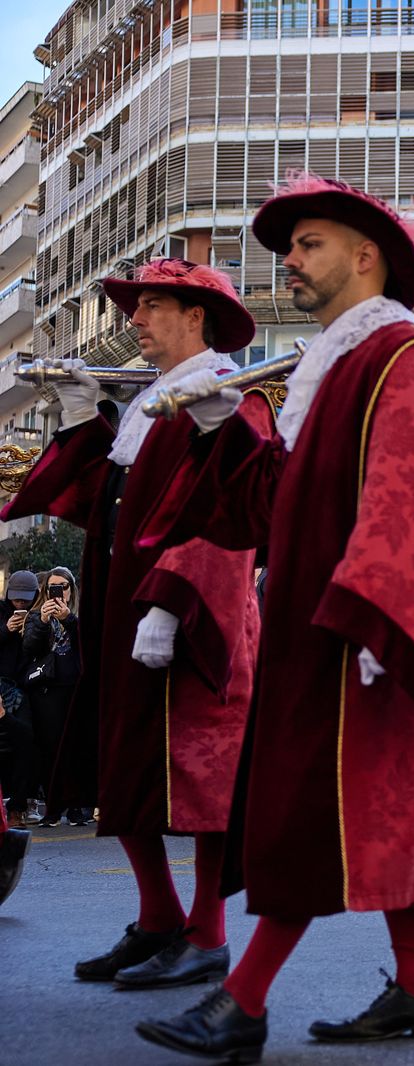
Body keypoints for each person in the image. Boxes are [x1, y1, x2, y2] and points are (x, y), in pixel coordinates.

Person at [134, 173, 414, 1059]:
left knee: (312, 818)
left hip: (357, 633)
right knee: (379, 816)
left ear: (368, 258)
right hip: (319, 629)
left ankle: (240, 1000)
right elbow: (267, 510)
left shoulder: (407, 358)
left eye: (309, 243)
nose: (289, 259)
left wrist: (379, 619)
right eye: (291, 247)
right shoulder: (328, 369)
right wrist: (224, 429)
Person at [2, 258, 268, 995]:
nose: (135, 321)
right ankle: (159, 918)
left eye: (150, 306)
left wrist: (170, 604)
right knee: (125, 776)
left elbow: (235, 518)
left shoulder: (232, 401)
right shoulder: (152, 406)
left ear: (195, 317)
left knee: (200, 778)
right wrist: (87, 419)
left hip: (193, 617)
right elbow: (111, 506)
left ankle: (208, 937)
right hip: (128, 615)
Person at [22, 567, 87, 828]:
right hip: (47, 690)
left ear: (71, 590)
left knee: (74, 748)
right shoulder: (37, 615)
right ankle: (52, 808)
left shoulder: (80, 616)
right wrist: (42, 622)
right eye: (52, 587)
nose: (58, 591)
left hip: (75, 688)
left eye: (63, 586)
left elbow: (90, 646)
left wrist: (70, 620)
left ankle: (75, 808)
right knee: (50, 749)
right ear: (46, 590)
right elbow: (29, 648)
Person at [0, 571, 39, 828]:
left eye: (25, 599)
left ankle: (17, 808)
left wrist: (31, 629)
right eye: (16, 599)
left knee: (26, 740)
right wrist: (6, 630)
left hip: (22, 688)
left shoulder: (39, 616)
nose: (20, 604)